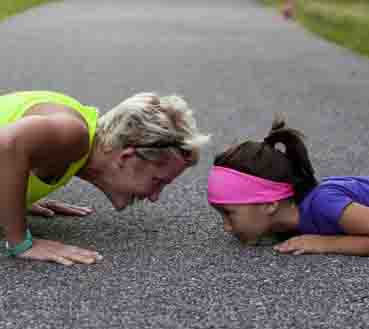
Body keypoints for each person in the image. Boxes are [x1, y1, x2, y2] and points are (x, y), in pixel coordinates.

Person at [0, 90, 209, 265]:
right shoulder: (74, 133)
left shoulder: (73, 140)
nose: (155, 196)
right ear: (127, 157)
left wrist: (14, 199)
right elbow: (7, 144)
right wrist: (21, 242)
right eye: (158, 181)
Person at [207, 117, 369, 256]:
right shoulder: (283, 226)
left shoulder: (324, 203)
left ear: (270, 204)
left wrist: (325, 243)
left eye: (229, 214)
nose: (227, 227)